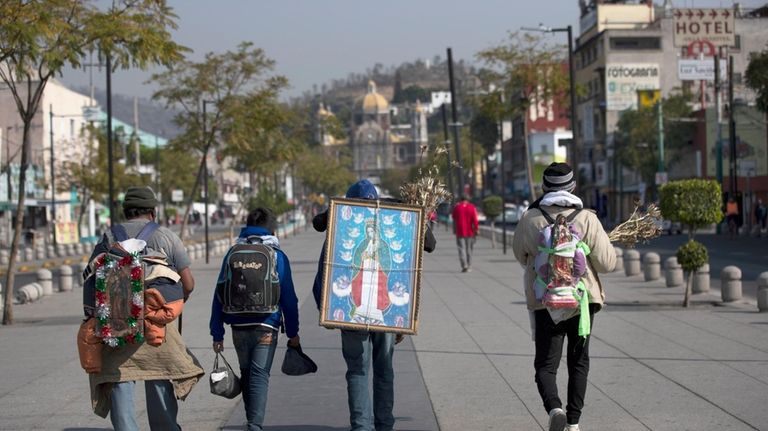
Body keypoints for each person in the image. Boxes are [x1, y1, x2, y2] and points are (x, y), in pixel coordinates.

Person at [311, 179, 435, 431]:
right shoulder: (394, 221)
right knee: (384, 370)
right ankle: (384, 424)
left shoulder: (341, 228)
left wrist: (326, 309)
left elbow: (324, 273)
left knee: (357, 371)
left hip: (351, 313)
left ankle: (361, 426)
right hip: (385, 316)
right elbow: (423, 251)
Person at [84, 186, 202, 431]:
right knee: (159, 374)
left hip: (116, 320)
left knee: (119, 377)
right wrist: (174, 303)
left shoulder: (108, 236)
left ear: (125, 211)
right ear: (153, 212)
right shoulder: (167, 236)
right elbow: (188, 283)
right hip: (155, 321)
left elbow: (91, 277)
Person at [512, 163, 616, 431]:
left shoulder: (530, 217)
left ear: (544, 187)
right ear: (573, 187)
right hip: (582, 301)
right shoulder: (588, 218)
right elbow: (607, 263)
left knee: (546, 364)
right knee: (578, 361)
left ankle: (554, 407)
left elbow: (521, 256)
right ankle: (574, 423)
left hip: (546, 300)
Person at [210, 207, 300, 431]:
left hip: (238, 324)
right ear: (272, 228)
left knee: (248, 373)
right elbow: (289, 298)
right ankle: (254, 425)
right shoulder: (277, 256)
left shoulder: (233, 252)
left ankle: (252, 421)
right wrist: (293, 332)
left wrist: (217, 332)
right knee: (259, 375)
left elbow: (219, 292)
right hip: (266, 324)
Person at [451, 194, 479, 272]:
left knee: (461, 249)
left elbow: (454, 218)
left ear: (461, 199)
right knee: (469, 249)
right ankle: (469, 265)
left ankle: (464, 265)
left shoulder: (457, 207)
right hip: (470, 231)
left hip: (460, 231)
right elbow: (475, 220)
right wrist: (476, 229)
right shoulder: (472, 207)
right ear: (468, 199)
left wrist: (454, 229)